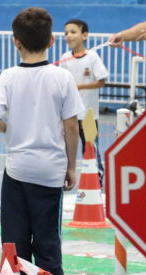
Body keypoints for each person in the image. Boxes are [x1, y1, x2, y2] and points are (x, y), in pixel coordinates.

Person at [0, 7, 82, 275]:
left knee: (15, 243)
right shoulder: (62, 77)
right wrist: (71, 166)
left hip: (16, 172)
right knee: (48, 243)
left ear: (16, 42)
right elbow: (70, 126)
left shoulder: (8, 76)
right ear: (52, 40)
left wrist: (13, 130)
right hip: (49, 172)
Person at [59, 19, 108, 183]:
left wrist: (79, 86)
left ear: (84, 35)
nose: (69, 36)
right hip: (70, 114)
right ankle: (65, 174)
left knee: (91, 145)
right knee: (66, 145)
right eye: (66, 33)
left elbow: (102, 80)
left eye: (73, 32)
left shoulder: (92, 57)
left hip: (88, 113)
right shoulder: (65, 58)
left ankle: (96, 175)